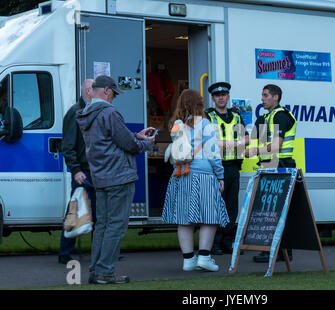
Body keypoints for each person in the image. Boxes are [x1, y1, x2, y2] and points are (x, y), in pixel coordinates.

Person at [76, 75, 155, 284]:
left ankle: (96, 270)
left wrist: (136, 135)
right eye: (114, 94)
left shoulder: (87, 113)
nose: (114, 98)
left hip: (101, 176)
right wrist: (146, 143)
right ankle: (105, 272)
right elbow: (128, 145)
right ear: (107, 91)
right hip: (119, 176)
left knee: (102, 225)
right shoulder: (110, 113)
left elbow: (111, 140)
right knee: (116, 226)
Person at [162, 89, 229, 272]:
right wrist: (220, 175)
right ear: (199, 104)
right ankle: (205, 257)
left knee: (184, 219)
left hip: (181, 174)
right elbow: (213, 153)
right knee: (210, 216)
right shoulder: (205, 123)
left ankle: (189, 260)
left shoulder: (176, 125)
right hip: (204, 175)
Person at [245, 84, 297, 263]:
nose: (262, 98)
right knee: (271, 210)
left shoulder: (280, 116)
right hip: (271, 166)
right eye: (262, 95)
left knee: (274, 211)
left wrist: (253, 152)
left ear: (276, 97)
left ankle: (276, 251)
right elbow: (251, 139)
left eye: (266, 95)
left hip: (280, 167)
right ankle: (278, 251)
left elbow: (277, 145)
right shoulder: (266, 117)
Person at [205, 82, 249, 255]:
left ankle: (227, 241)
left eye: (224, 95)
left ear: (228, 97)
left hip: (232, 168)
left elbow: (247, 138)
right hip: (215, 168)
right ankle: (214, 243)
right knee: (216, 206)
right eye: (217, 95)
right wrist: (233, 144)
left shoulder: (237, 115)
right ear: (213, 98)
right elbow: (208, 141)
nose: (221, 97)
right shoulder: (208, 116)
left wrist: (229, 144)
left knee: (231, 206)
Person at [58, 79, 96, 264]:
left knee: (99, 214)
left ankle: (100, 253)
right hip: (83, 172)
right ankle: (64, 252)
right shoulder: (75, 112)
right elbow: (68, 145)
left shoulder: (93, 110)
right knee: (75, 211)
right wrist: (75, 170)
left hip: (96, 171)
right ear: (89, 90)